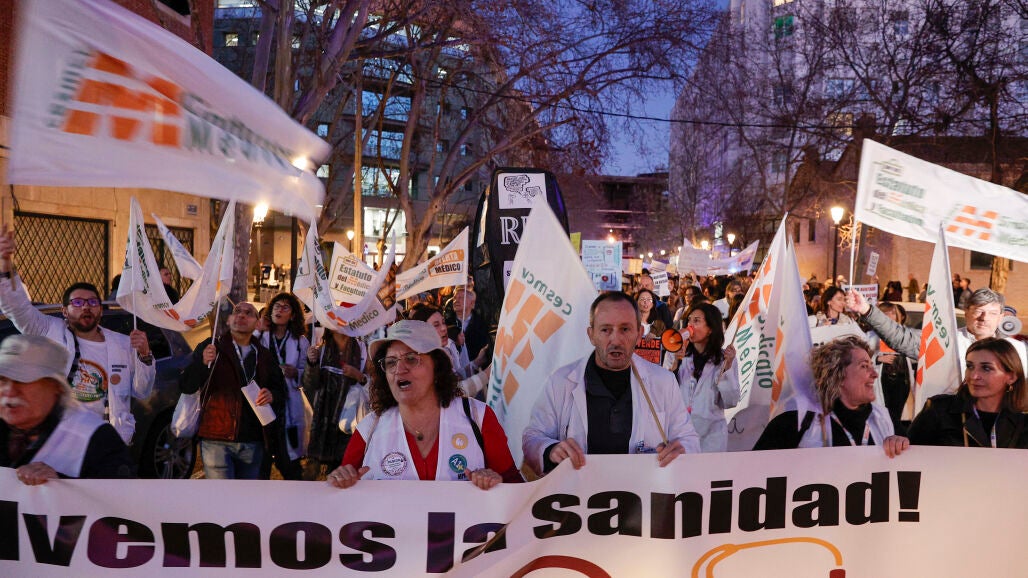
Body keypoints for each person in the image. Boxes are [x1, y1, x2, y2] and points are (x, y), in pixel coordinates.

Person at [0, 226, 155, 444]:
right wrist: (6, 264)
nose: (86, 307)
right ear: (64, 311)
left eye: (92, 302)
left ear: (100, 310)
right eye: (78, 302)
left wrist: (145, 356)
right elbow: (17, 308)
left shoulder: (122, 344)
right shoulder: (49, 331)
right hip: (61, 440)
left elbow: (142, 391)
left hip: (107, 441)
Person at [326, 320, 522, 489]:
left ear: (437, 366)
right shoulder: (369, 429)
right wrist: (341, 481)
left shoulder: (478, 417)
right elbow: (342, 500)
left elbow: (515, 490)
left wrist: (495, 481)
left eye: (411, 359)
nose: (399, 369)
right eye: (391, 362)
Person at [522, 292, 700, 476]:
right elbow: (533, 437)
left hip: (644, 491)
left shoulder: (663, 382)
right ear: (591, 335)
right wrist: (550, 450)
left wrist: (682, 450)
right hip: (579, 492)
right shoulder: (561, 381)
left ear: (639, 333)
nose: (616, 340)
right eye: (605, 330)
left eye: (625, 329)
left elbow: (688, 439)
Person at [1, 334, 134, 484]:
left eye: (22, 379)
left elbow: (123, 494)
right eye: (2, 379)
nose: (9, 391)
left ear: (56, 386)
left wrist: (62, 484)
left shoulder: (95, 437)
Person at [180, 302, 286, 480]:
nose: (242, 315)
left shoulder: (264, 355)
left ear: (257, 324)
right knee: (221, 496)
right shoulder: (211, 347)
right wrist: (203, 363)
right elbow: (186, 386)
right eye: (237, 311)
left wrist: (272, 395)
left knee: (247, 496)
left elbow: (280, 391)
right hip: (216, 439)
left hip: (253, 441)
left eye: (249, 313)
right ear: (229, 320)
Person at [753, 336, 905, 457]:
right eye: (864, 366)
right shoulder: (797, 421)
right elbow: (756, 473)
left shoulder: (886, 420)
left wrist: (902, 445)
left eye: (872, 366)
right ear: (838, 375)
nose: (874, 374)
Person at [847, 287, 1028, 378]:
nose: (984, 318)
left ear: (1001, 317)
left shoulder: (1017, 349)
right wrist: (867, 311)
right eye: (978, 311)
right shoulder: (945, 340)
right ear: (966, 312)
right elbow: (902, 338)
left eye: (992, 313)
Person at [905, 338, 1028, 448]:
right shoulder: (939, 410)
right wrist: (898, 443)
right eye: (970, 366)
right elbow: (908, 454)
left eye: (986, 368)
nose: (974, 376)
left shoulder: (1023, 421)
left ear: (1011, 377)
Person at [670, 303, 740, 452]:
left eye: (696, 321)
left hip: (711, 437)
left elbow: (731, 401)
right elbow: (667, 393)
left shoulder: (724, 359)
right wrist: (676, 362)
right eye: (689, 320)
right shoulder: (677, 354)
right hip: (681, 434)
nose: (690, 325)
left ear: (710, 329)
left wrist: (727, 369)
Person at [302, 328, 369, 480]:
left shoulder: (362, 350)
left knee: (343, 470)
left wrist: (358, 375)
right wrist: (311, 363)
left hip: (349, 420)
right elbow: (309, 384)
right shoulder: (321, 350)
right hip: (322, 422)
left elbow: (372, 384)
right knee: (311, 476)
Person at [257, 293, 310, 480]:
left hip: (287, 406)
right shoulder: (260, 336)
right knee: (261, 462)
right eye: (276, 306)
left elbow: (307, 374)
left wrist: (296, 373)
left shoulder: (301, 342)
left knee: (290, 464)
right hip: (263, 401)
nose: (279, 310)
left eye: (285, 307)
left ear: (293, 315)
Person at [871, 302, 915, 435]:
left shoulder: (904, 332)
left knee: (898, 411)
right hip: (884, 376)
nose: (891, 315)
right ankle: (890, 435)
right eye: (887, 313)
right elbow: (864, 355)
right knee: (886, 411)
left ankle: (897, 436)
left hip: (902, 376)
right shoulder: (873, 334)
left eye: (893, 313)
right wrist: (878, 359)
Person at [445, 286, 490, 362]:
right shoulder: (447, 325)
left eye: (461, 298)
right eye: (455, 298)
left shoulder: (482, 324)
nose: (456, 300)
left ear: (472, 303)